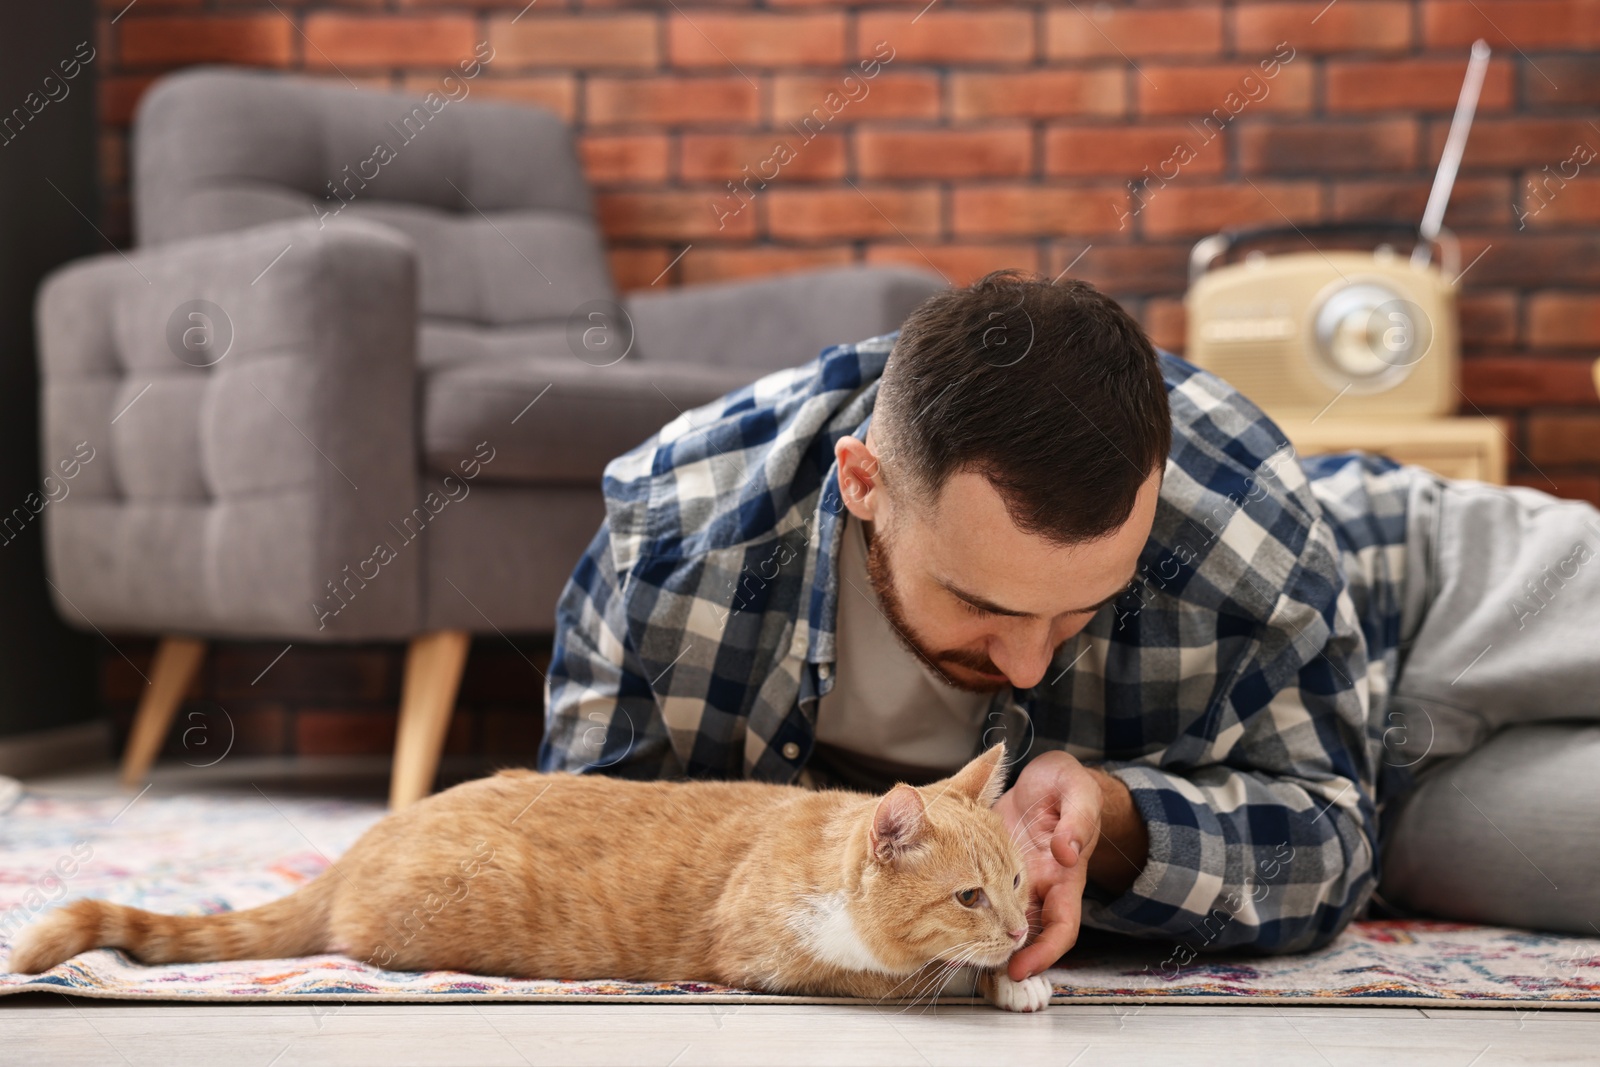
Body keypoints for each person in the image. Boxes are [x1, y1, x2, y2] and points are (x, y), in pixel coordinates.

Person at [539, 271, 1600, 982]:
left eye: (1084, 606)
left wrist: (1111, 806)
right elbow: (581, 845)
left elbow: (1325, 829)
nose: (1030, 661)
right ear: (863, 482)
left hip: (1428, 594)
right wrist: (1115, 824)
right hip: (1404, 804)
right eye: (984, 604)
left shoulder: (1240, 517)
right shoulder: (674, 545)